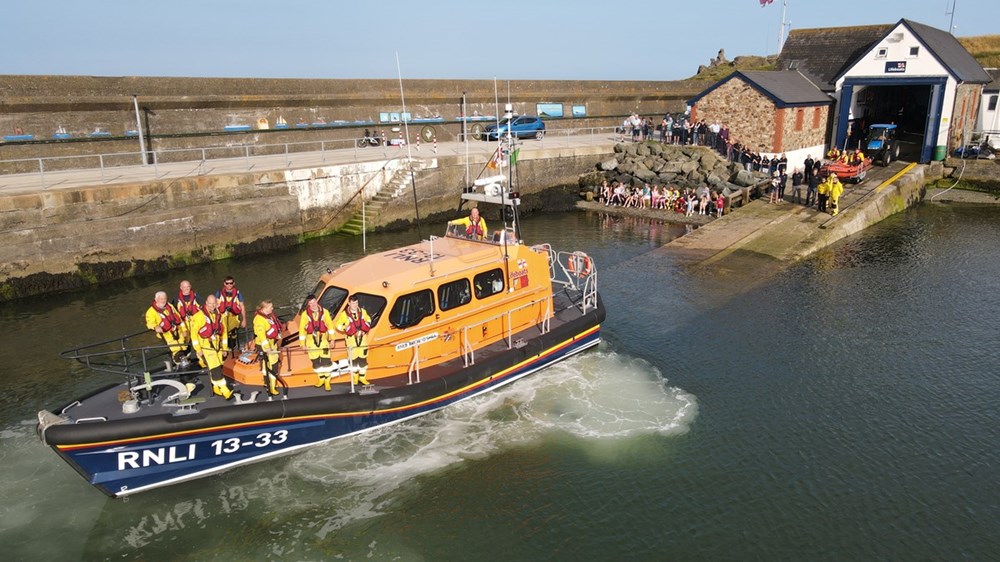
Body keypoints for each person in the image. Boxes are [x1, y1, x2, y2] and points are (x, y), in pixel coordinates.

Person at [190, 294, 234, 400]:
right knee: (216, 369)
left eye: (214, 303)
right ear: (206, 303)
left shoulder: (219, 315)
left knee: (219, 366)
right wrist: (198, 350)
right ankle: (225, 390)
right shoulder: (198, 317)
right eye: (210, 303)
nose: (212, 305)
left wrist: (224, 347)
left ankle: (215, 387)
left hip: (217, 347)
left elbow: (223, 333)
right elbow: (193, 335)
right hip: (206, 348)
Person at [299, 294, 336, 389]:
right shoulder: (305, 315)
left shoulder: (325, 312)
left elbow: (330, 326)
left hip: (323, 341)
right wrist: (302, 344)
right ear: (308, 304)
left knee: (326, 362)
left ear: (317, 301)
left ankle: (327, 381)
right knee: (315, 363)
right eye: (310, 303)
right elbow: (302, 330)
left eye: (314, 302)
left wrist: (332, 339)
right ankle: (321, 379)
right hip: (311, 343)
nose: (313, 304)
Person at [335, 295, 372, 388]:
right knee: (353, 361)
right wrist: (346, 329)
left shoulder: (363, 312)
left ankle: (362, 377)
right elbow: (338, 326)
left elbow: (369, 320)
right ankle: (355, 378)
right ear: (349, 303)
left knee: (363, 361)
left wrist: (364, 330)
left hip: (362, 341)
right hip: (351, 341)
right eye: (353, 303)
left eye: (356, 303)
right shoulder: (344, 315)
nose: (355, 305)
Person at [145, 290, 190, 365]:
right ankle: (181, 368)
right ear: (156, 299)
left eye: (165, 298)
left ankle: (187, 363)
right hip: (167, 335)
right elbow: (150, 323)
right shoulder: (151, 312)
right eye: (161, 299)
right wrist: (155, 326)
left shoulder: (170, 306)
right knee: (177, 352)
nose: (163, 300)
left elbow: (179, 318)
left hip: (178, 331)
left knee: (186, 348)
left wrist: (184, 330)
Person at [253, 299, 283, 396]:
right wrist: (267, 348)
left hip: (272, 343)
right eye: (271, 307)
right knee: (269, 366)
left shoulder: (269, 316)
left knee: (273, 364)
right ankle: (270, 386)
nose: (272, 308)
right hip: (264, 345)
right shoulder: (259, 320)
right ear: (265, 308)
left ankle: (271, 383)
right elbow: (262, 336)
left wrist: (277, 335)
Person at [216, 276, 247, 341]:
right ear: (224, 284)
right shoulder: (219, 293)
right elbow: (215, 305)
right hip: (222, 319)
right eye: (227, 283)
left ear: (234, 283)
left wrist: (244, 320)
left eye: (231, 283)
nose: (229, 285)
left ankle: (234, 348)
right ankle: (225, 350)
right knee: (222, 336)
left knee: (233, 338)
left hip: (234, 319)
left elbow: (242, 307)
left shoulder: (238, 294)